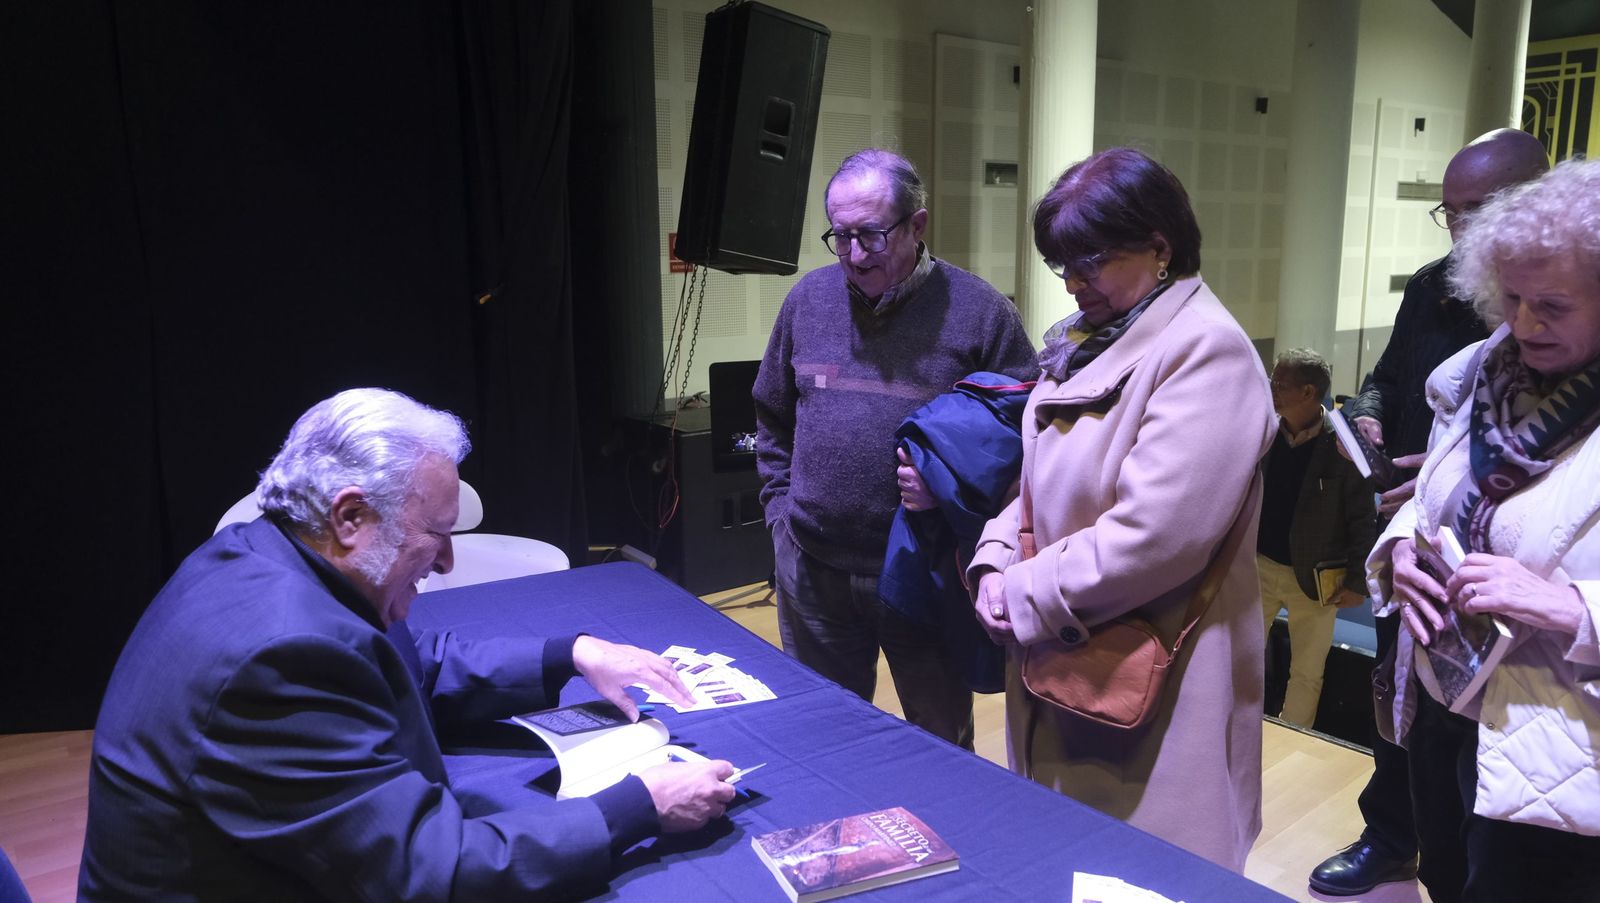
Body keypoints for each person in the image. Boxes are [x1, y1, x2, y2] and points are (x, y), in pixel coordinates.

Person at [79, 388, 736, 902]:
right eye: (435, 534)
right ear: (350, 515)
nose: (448, 561)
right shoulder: (278, 656)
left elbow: (411, 661)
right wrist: (640, 804)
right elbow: (432, 873)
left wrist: (570, 652)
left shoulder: (274, 554)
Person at [966, 147, 1275, 871]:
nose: (1074, 285)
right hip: (1065, 651)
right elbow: (1032, 483)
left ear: (1160, 248)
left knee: (1143, 871)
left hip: (1157, 669)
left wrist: (1021, 591)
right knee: (1062, 859)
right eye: (1063, 266)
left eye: (1091, 262)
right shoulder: (1086, 340)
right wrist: (995, 558)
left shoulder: (1206, 351)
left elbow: (1153, 537)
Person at [1309, 127, 1549, 896]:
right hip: (1413, 537)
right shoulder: (1430, 286)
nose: (1463, 233)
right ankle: (1394, 833)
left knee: (1491, 759)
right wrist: (1373, 416)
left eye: (1479, 209)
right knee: (1401, 700)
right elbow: (1384, 377)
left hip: (1505, 566)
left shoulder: (1553, 307)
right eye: (1451, 213)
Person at [1368, 158, 1600, 902]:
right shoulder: (1477, 373)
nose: (1524, 323)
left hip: (1560, 741)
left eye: (1553, 306)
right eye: (1511, 297)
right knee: (1444, 878)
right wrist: (1401, 548)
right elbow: (1431, 496)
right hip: (1450, 699)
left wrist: (1567, 607)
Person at [753, 148, 1036, 749]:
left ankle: (945, 843)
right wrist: (780, 515)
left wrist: (951, 488)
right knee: (822, 736)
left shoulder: (983, 313)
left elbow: (1028, 444)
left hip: (925, 571)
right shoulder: (807, 302)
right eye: (842, 236)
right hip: (814, 567)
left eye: (873, 236)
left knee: (938, 743)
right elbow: (773, 417)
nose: (855, 256)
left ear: (917, 225)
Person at [1259, 348, 1376, 726]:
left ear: (1309, 392)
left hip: (1316, 578)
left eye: (1280, 383)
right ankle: (1235, 731)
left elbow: (1363, 518)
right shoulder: (1261, 430)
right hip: (1256, 568)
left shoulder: (1342, 444)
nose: (1271, 387)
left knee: (1307, 673)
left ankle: (1292, 743)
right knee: (1236, 660)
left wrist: (1359, 582)